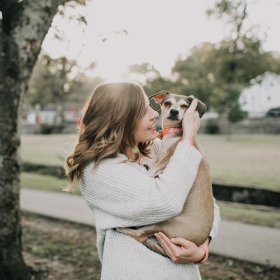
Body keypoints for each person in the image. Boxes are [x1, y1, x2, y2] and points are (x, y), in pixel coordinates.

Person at [64, 81, 220, 280]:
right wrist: (188, 138)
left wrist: (202, 249)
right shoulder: (98, 170)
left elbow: (207, 203)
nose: (155, 113)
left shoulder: (157, 148)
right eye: (143, 110)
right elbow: (166, 202)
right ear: (120, 119)